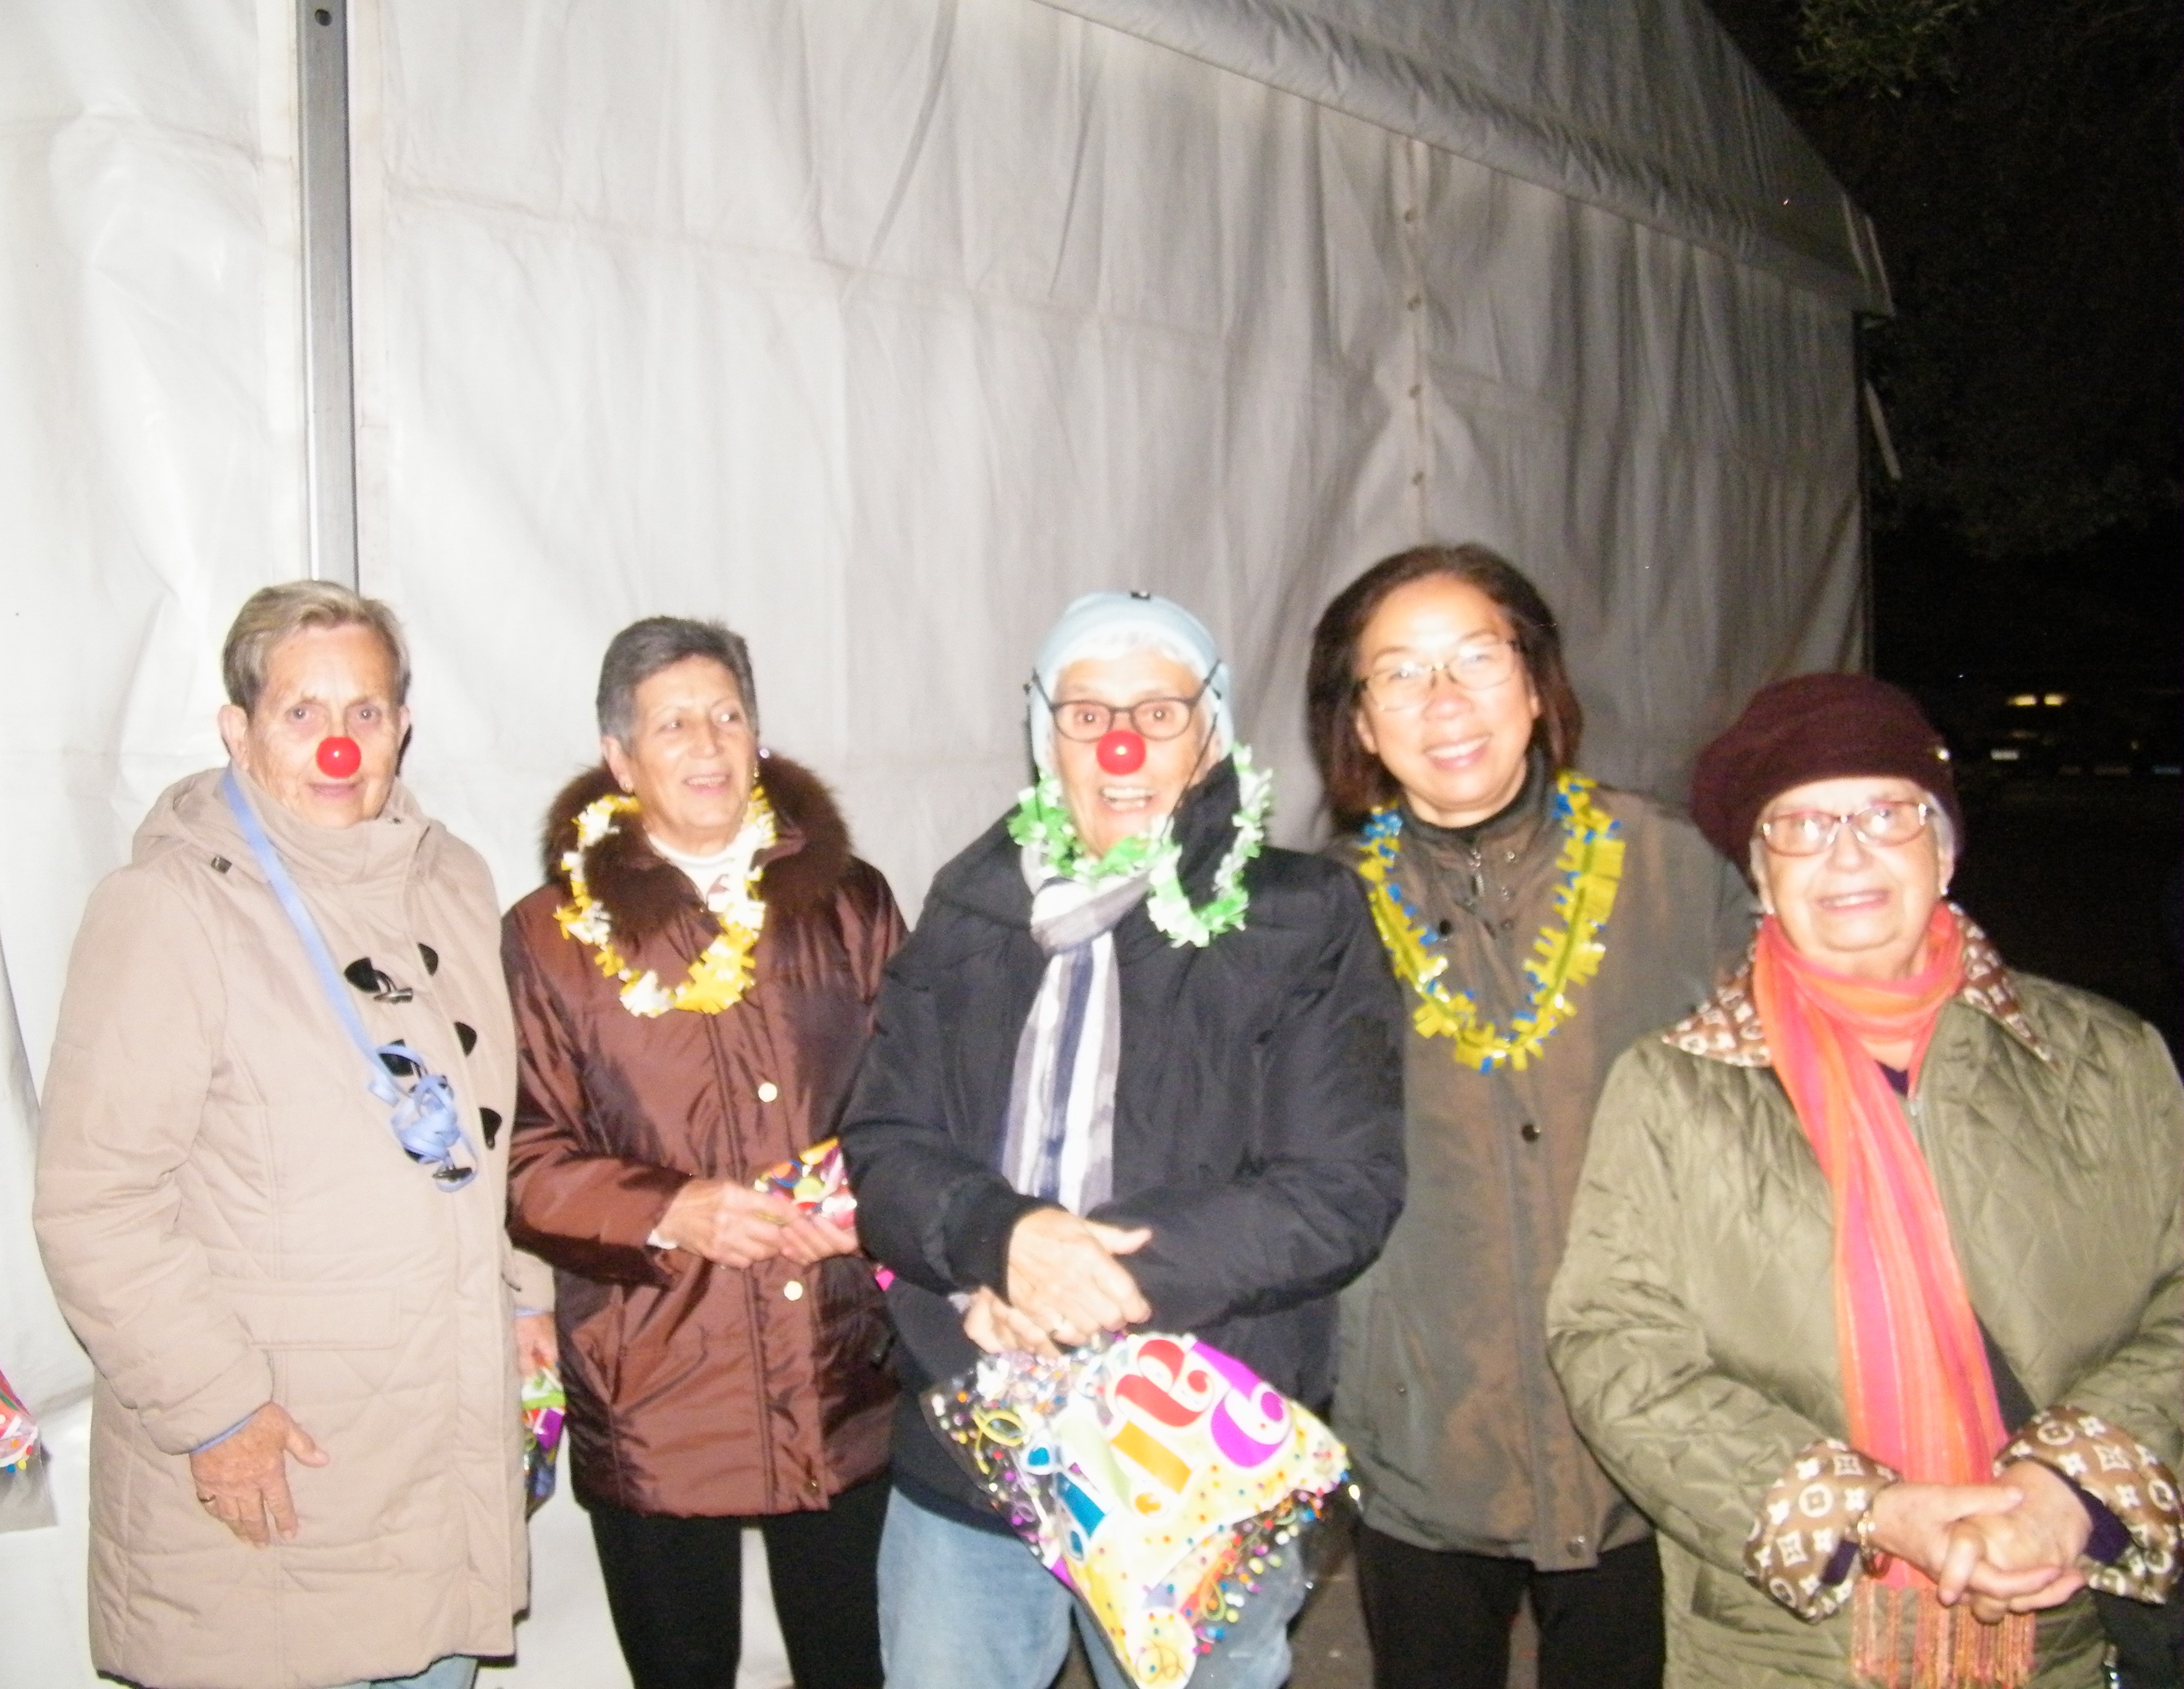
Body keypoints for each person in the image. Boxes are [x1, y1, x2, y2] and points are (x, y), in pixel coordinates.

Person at [1547, 673, 2184, 1688]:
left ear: (1945, 849)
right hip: (1782, 1649)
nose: (1846, 853)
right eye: (1801, 826)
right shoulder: (1675, 1087)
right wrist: (1871, 1511)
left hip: (2067, 1622)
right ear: (1761, 876)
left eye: (1886, 814)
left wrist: (2069, 1490)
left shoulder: (2106, 1060)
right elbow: (1614, 1348)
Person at [844, 590, 1406, 1689]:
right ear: (1044, 735)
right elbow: (885, 1141)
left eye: (1158, 712)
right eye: (1087, 713)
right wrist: (999, 1243)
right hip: (971, 1428)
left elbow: (1338, 1187)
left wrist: (1079, 1283)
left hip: (1190, 1449)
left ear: (1212, 732)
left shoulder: (1300, 915)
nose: (1121, 746)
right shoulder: (970, 907)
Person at [35, 581, 553, 1689]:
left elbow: (482, 1131)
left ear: (402, 727)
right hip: (277, 1471)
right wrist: (214, 1411)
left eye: (364, 711)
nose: (338, 745)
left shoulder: (454, 882)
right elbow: (95, 1202)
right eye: (300, 712)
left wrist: (525, 1296)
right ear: (238, 730)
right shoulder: (169, 908)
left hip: (436, 1462)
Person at [1305, 543, 1757, 1689]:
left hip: (1645, 1432)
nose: (1444, 701)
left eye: (1477, 659)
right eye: (1399, 674)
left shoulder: (1676, 868)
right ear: (1360, 724)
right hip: (1426, 1430)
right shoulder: (1315, 917)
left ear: (1539, 684)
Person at [503, 617, 904, 1689]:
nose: (708, 743)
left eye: (727, 715)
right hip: (658, 1383)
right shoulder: (551, 933)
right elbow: (527, 1160)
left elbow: (922, 1101)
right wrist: (672, 1210)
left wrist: (866, 1199)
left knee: (856, 1666)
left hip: (840, 1369)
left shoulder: (847, 900)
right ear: (620, 758)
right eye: (672, 723)